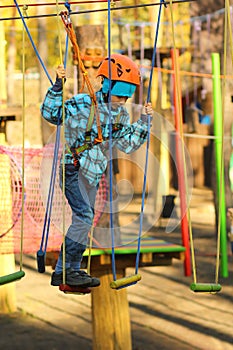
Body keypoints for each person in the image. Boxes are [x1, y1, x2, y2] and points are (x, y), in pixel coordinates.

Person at [41, 54, 153, 288]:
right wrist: (57, 87)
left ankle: (69, 269)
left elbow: (127, 143)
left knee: (85, 219)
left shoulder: (122, 114)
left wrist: (144, 122)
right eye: (120, 92)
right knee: (84, 217)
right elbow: (52, 115)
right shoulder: (83, 103)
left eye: (127, 94)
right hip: (73, 168)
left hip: (92, 174)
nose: (123, 99)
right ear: (106, 84)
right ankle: (64, 270)